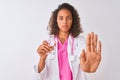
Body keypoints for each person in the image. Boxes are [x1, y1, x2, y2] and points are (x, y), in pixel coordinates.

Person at [34, 3, 102, 80]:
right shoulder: (47, 42)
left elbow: (83, 58)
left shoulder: (80, 41)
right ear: (56, 20)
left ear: (73, 20)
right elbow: (39, 77)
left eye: (68, 18)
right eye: (61, 18)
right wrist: (42, 58)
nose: (64, 22)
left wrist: (86, 65)